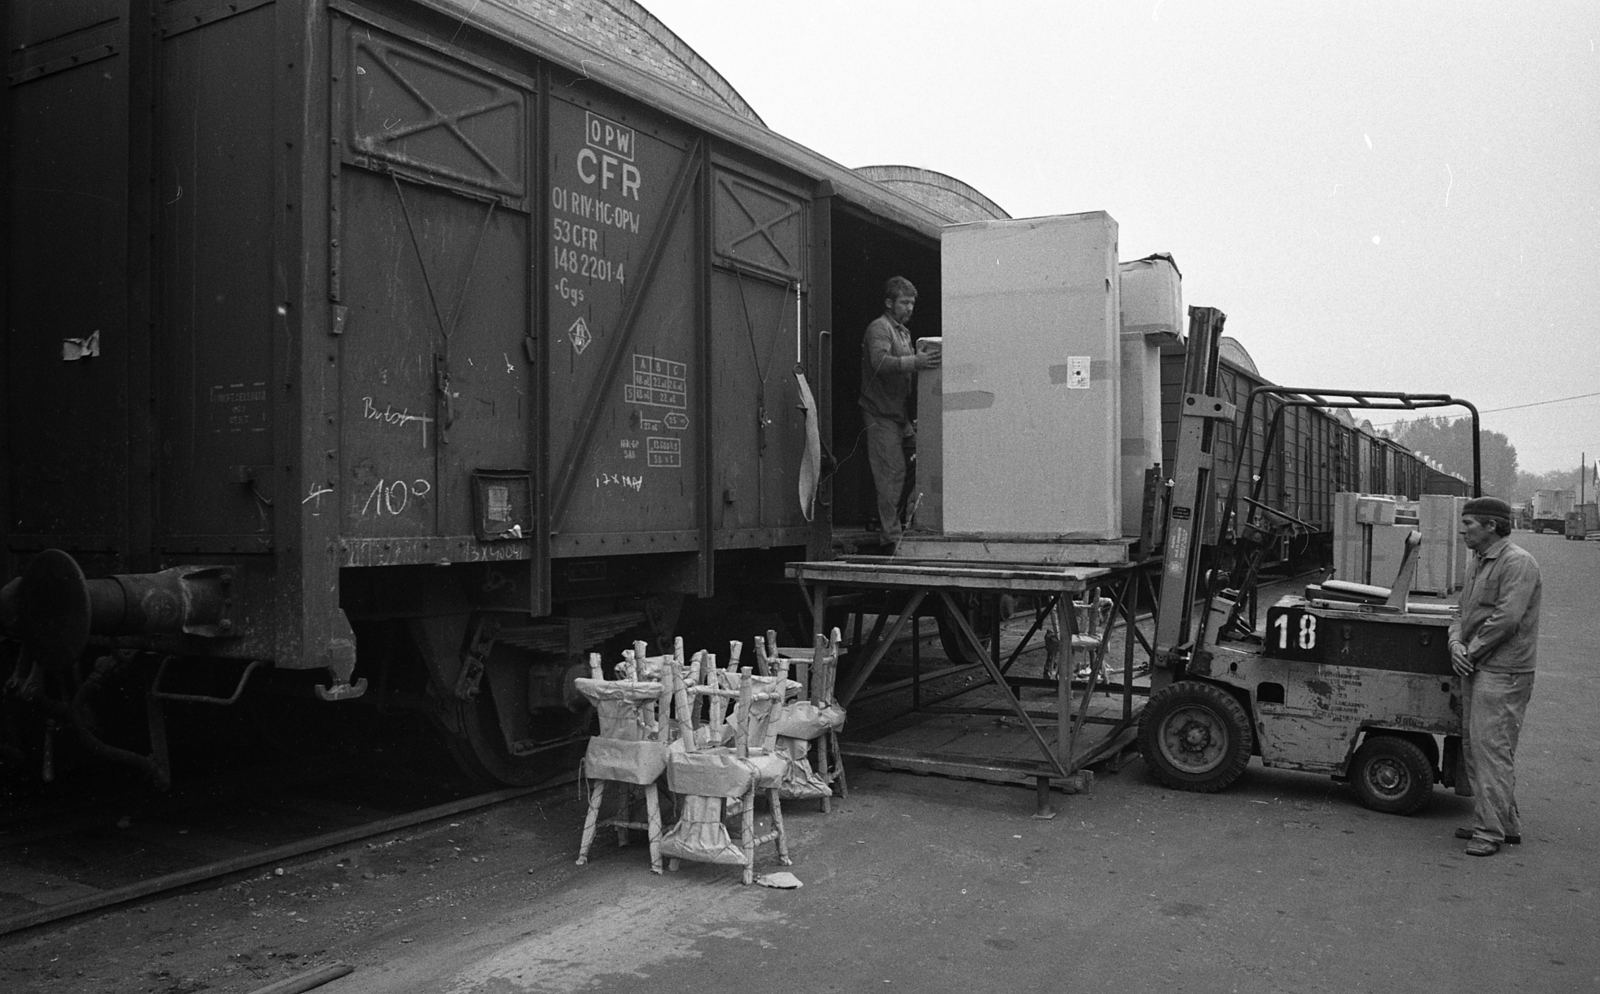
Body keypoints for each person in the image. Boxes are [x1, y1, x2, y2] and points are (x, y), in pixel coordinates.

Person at [1448, 495, 1541, 857]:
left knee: (1492, 751)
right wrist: (1456, 642)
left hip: (1505, 671)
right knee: (1476, 748)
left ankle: (1489, 832)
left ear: (1491, 526)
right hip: (1478, 664)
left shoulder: (1518, 563)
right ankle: (1505, 823)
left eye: (1469, 523)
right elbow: (1460, 610)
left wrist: (1469, 651)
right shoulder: (1478, 562)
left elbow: (1507, 618)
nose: (1463, 530)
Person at [859, 276, 939, 549]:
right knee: (891, 471)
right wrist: (915, 362)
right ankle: (891, 537)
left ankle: (891, 522)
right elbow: (879, 362)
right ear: (889, 303)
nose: (910, 308)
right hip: (880, 414)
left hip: (898, 415)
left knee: (922, 458)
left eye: (912, 303)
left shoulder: (903, 333)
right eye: (904, 302)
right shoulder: (879, 329)